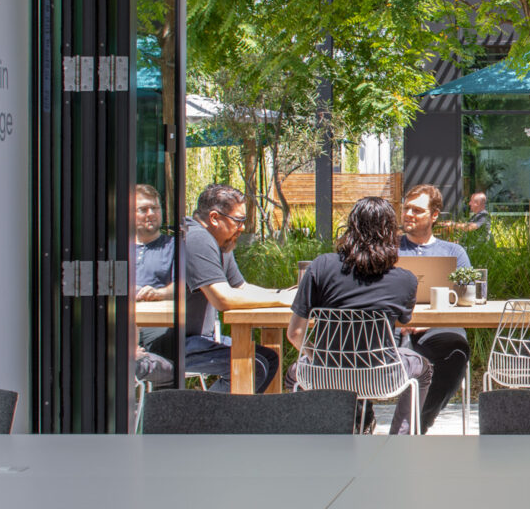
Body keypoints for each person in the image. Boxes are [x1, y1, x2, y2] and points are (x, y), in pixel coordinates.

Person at [288, 197, 431, 435]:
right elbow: (404, 322)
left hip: (326, 374)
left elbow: (294, 334)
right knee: (422, 368)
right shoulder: (405, 280)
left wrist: (318, 356)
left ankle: (314, 435)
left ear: (350, 227)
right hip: (382, 375)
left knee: (295, 374)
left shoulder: (320, 266)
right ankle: (400, 439)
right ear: (390, 234)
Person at [177, 183, 294, 393]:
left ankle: (244, 420)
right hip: (178, 344)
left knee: (267, 358)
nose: (242, 228)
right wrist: (281, 301)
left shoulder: (221, 242)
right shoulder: (197, 239)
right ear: (214, 218)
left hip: (202, 339)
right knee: (256, 365)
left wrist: (283, 294)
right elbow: (223, 299)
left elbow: (240, 288)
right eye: (238, 221)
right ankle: (200, 421)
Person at [396, 183, 472, 430]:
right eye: (406, 208)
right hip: (394, 327)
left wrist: (434, 320)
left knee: (457, 349)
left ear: (434, 215)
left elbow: (465, 298)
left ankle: (420, 423)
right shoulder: (388, 250)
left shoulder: (454, 252)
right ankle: (362, 420)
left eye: (417, 210)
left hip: (439, 328)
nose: (408, 214)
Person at [132, 184, 175, 302]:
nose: (151, 213)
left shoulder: (175, 247)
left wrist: (159, 293)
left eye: (155, 208)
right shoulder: (117, 248)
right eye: (143, 209)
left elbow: (184, 285)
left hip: (158, 317)